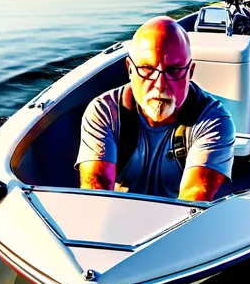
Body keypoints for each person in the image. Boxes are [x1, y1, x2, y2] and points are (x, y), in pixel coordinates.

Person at [75, 16, 235, 202]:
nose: (160, 85)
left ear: (190, 72)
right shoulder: (104, 112)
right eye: (147, 69)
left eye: (174, 70)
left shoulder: (214, 122)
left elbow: (192, 202)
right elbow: (96, 192)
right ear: (130, 69)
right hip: (115, 217)